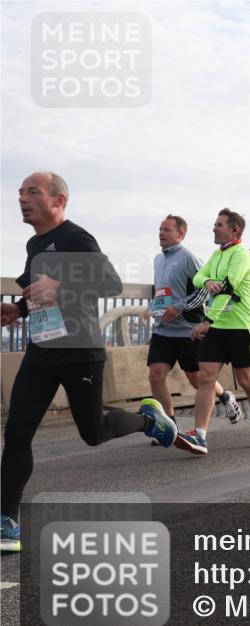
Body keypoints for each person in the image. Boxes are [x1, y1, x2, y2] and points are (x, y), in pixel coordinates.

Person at [1, 172, 177, 553]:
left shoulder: (76, 239)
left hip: (80, 352)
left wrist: (60, 287)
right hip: (42, 350)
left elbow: (110, 284)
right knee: (16, 432)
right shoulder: (35, 243)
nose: (22, 199)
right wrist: (17, 309)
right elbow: (38, 292)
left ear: (59, 200)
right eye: (20, 192)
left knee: (93, 431)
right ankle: (7, 519)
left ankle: (149, 419)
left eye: (33, 192)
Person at [176, 209, 250, 455]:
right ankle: (199, 435)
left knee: (246, 380)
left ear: (234, 229)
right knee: (206, 378)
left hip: (240, 326)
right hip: (217, 327)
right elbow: (198, 277)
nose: (214, 228)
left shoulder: (242, 255)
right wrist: (208, 282)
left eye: (219, 225)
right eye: (215, 224)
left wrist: (207, 320)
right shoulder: (217, 254)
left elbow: (228, 289)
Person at [143, 214, 241, 438]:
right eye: (160, 229)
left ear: (180, 234)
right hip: (163, 330)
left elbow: (205, 290)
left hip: (188, 330)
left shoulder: (189, 258)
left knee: (197, 380)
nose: (161, 233)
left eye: (166, 230)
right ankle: (169, 427)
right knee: (156, 375)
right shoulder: (158, 259)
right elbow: (163, 291)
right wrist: (151, 308)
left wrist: (180, 307)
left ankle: (224, 396)